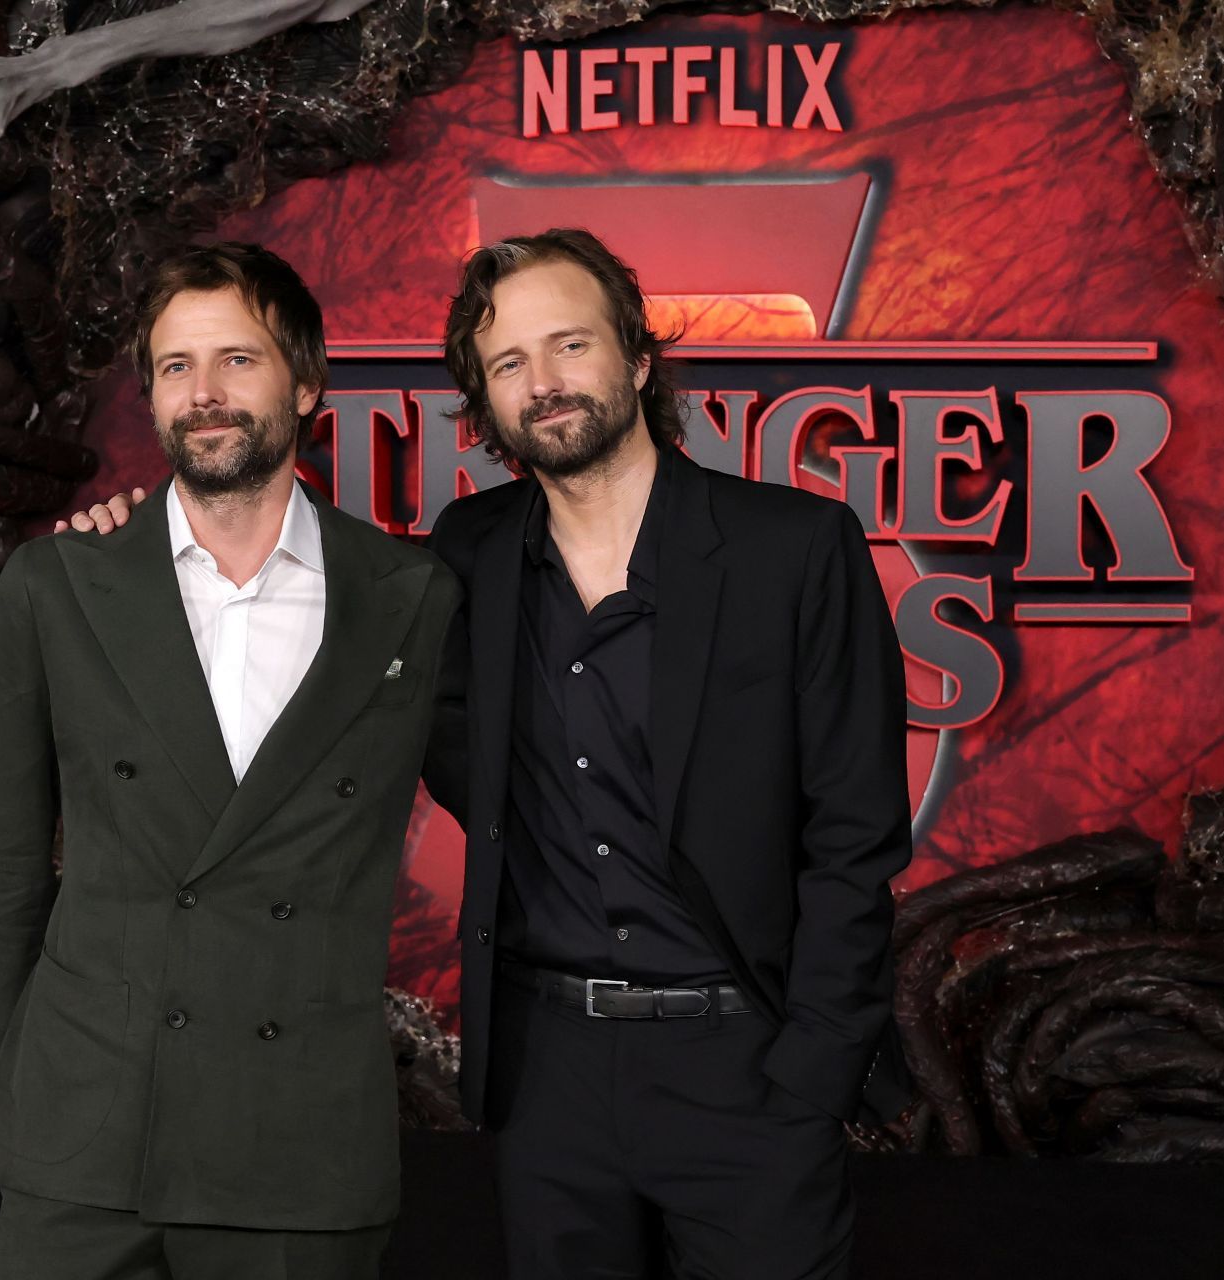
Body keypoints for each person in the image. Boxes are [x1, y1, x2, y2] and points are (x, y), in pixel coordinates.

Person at [67, 227, 912, 1279]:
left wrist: (811, 1078)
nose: (544, 383)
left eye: (570, 346)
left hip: (743, 1059)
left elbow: (858, 830)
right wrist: (144, 544)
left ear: (640, 359)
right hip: (548, 1070)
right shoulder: (468, 553)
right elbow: (305, 599)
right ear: (486, 399)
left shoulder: (794, 547)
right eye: (510, 363)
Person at [0, 241, 460, 1280]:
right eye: (176, 366)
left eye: (237, 359)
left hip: (298, 1144)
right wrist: (20, 1076)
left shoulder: (410, 597)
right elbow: (5, 866)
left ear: (308, 382)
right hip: (83, 1136)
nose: (205, 394)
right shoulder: (56, 587)